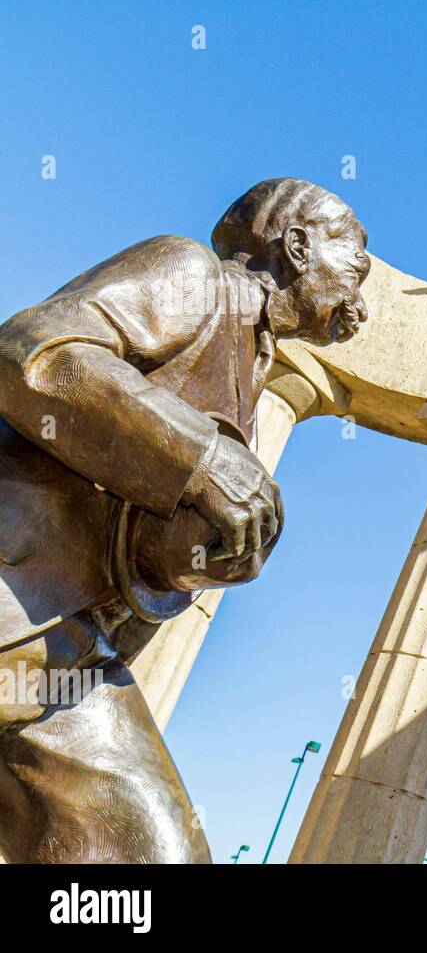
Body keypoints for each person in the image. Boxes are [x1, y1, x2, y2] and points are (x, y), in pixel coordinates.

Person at [0, 179, 370, 862]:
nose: (362, 304)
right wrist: (202, 462)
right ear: (297, 246)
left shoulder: (249, 362)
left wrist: (204, 552)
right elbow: (34, 352)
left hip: (60, 648)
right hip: (16, 599)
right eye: (355, 272)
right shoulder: (192, 273)